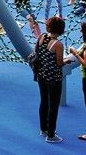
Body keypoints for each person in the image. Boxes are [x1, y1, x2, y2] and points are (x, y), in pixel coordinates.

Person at [28, 15, 66, 144]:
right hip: (54, 77)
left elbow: (36, 52)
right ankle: (51, 134)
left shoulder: (41, 37)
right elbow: (59, 63)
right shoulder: (58, 44)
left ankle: (43, 128)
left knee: (44, 101)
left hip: (41, 74)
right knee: (53, 105)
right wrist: (67, 60)